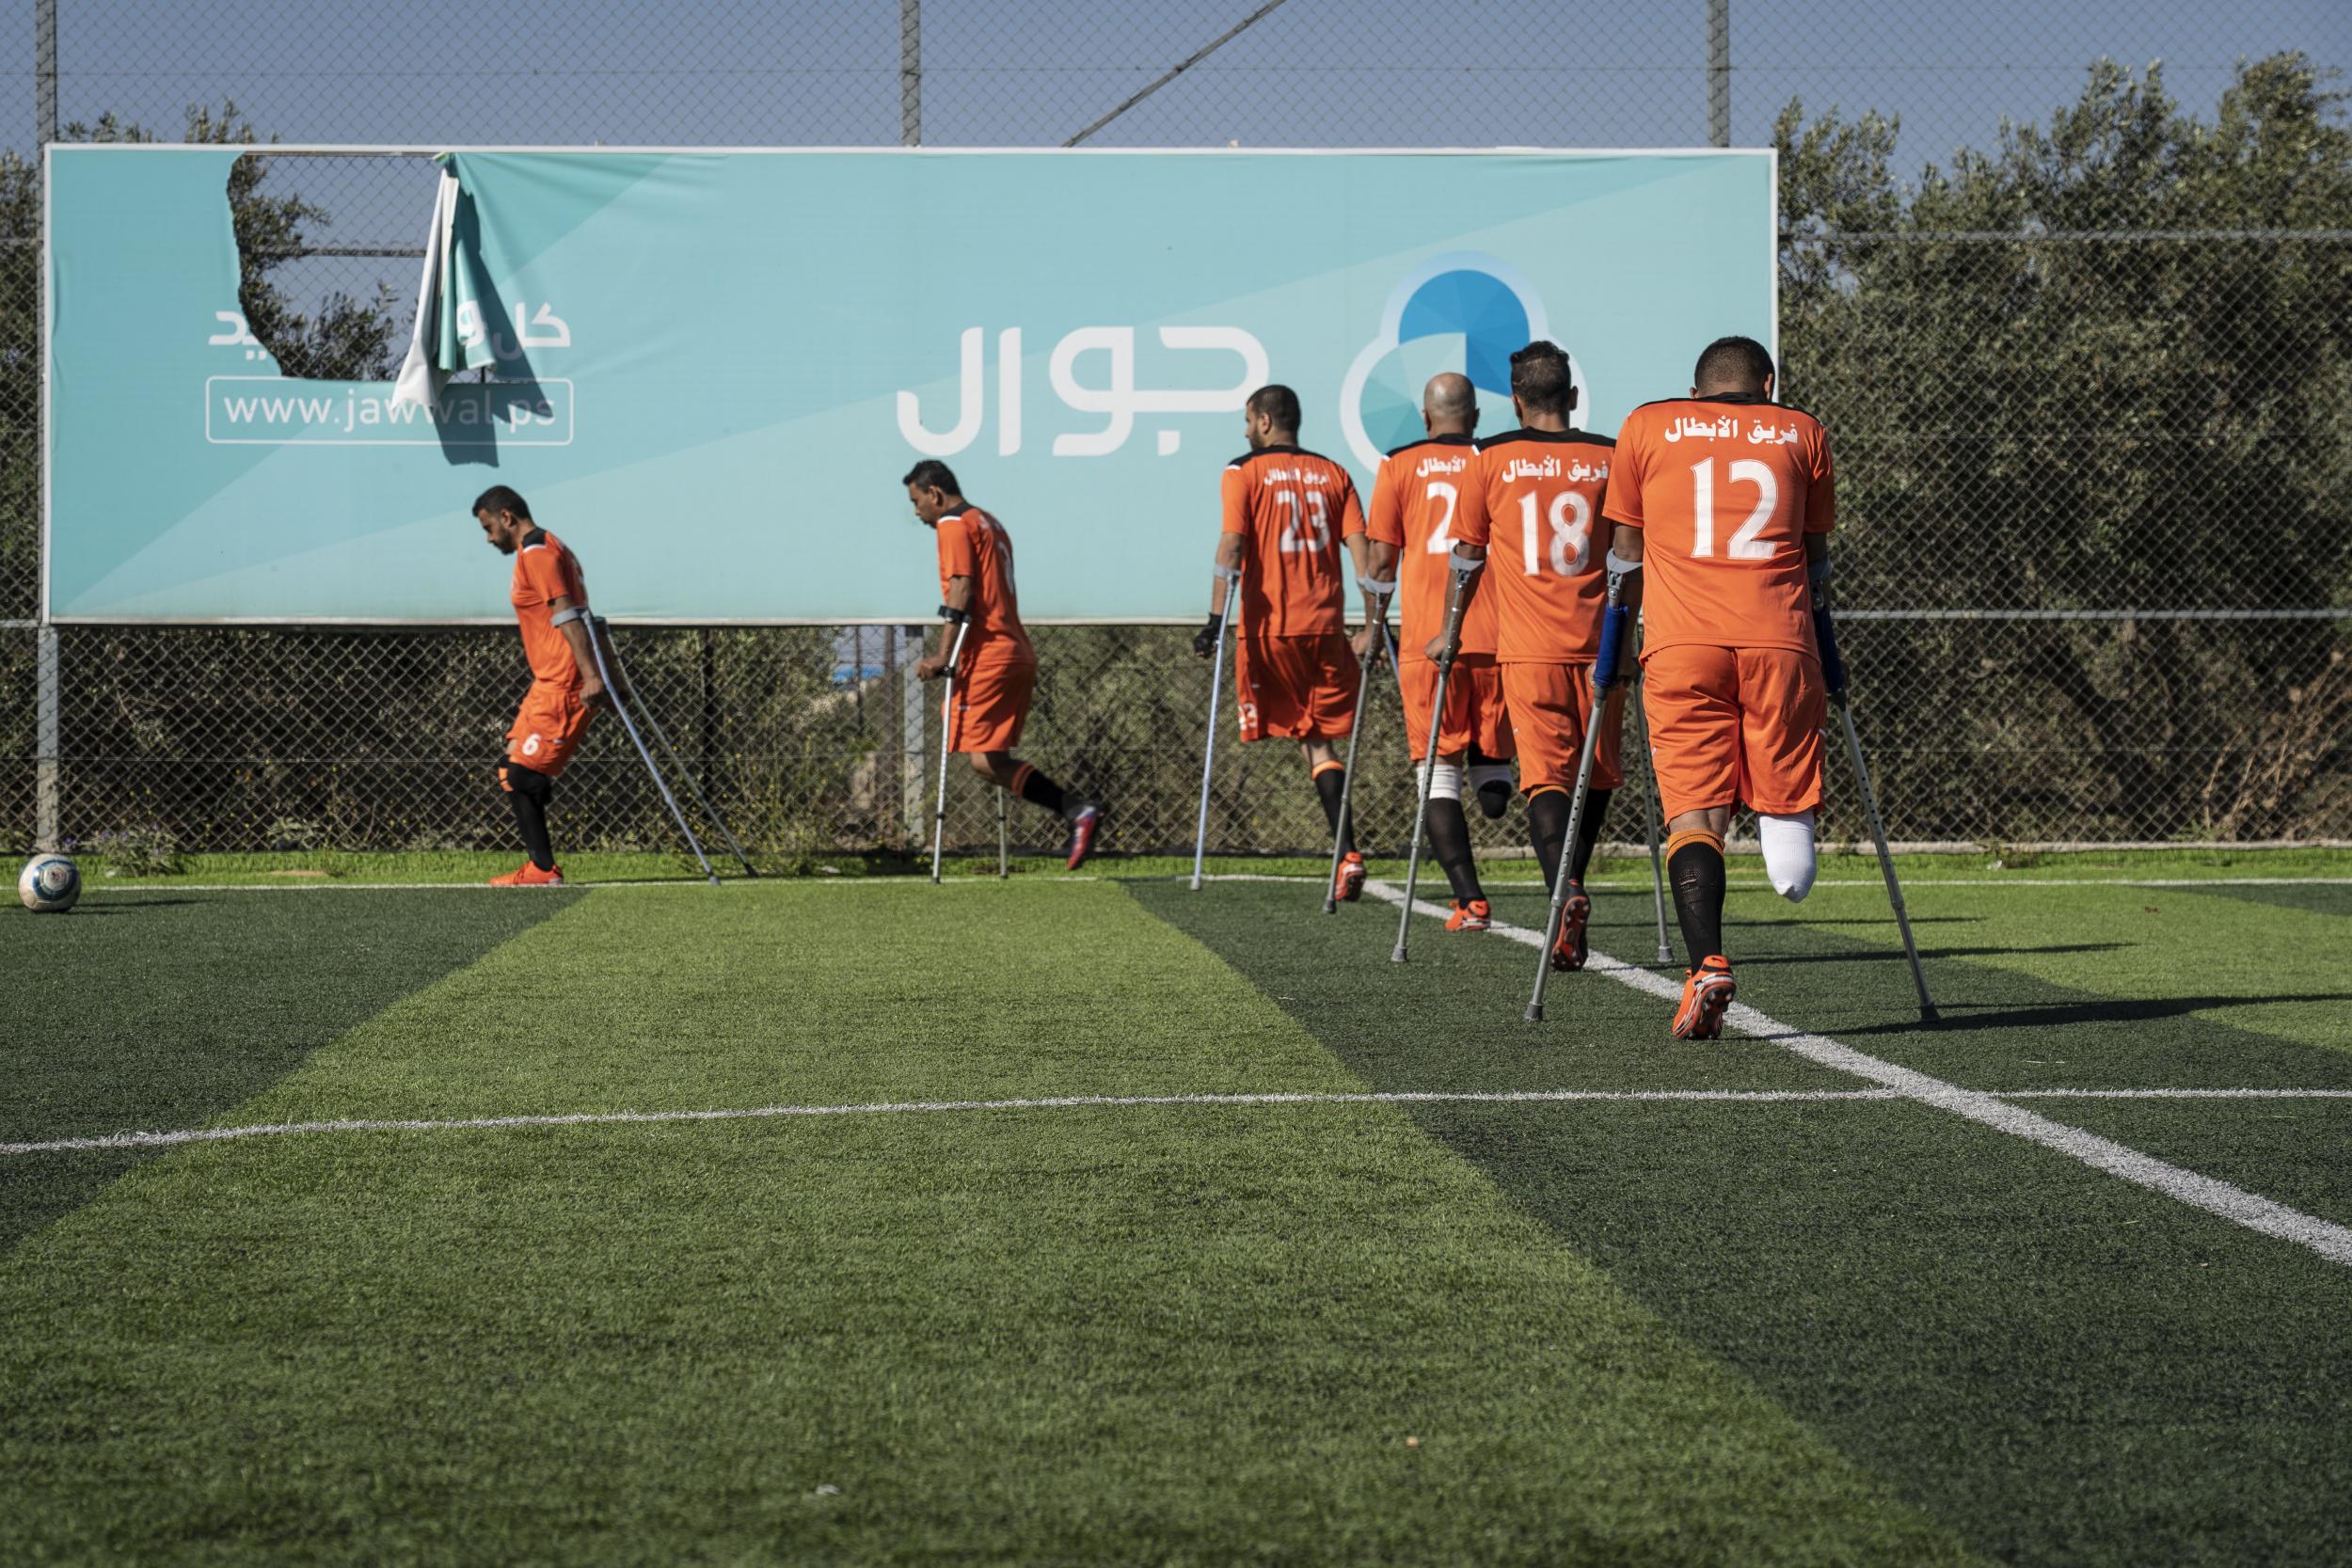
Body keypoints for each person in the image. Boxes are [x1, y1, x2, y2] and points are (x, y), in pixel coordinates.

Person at [1603, 335, 1836, 1038]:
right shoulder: (1802, 430)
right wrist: (1831, 651)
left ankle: (1707, 961)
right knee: (1786, 808)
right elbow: (1817, 560)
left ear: (1694, 389)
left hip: (1682, 646)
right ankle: (1788, 849)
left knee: (1692, 817)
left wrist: (1614, 644)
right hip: (1781, 643)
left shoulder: (1647, 424)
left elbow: (1624, 556)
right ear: (1769, 382)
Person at [1447, 342, 1623, 971]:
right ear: (1571, 396)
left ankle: (1564, 893)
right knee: (1595, 776)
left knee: (1545, 779)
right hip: (1602, 645)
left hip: (1528, 651)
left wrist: (1451, 628)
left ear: (1517, 400)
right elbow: (1634, 550)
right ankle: (1568, 886)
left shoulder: (1490, 457)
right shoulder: (1610, 453)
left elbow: (1466, 555)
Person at [1194, 384, 1375, 903]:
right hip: (1325, 627)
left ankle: (1347, 853)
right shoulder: (1335, 473)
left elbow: (1232, 544)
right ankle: (1348, 853)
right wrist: (1372, 624)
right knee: (1317, 739)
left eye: (1248, 420)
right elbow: (1362, 556)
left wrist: (1212, 620)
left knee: (1305, 736)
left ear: (1266, 421)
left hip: (1271, 628)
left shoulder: (1242, 471)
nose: (1244, 429)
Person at [1362, 372, 1516, 932]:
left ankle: (1470, 902)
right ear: (1475, 416)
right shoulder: (1500, 458)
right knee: (1492, 780)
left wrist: (1373, 626)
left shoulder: (1398, 463)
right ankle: (1493, 777)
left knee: (1435, 772)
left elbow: (1380, 563)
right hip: (1499, 638)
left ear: (1427, 418)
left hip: (1431, 642)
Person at [904, 461, 1102, 869]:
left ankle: (1075, 808)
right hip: (1015, 651)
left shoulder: (953, 523)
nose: (916, 512)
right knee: (988, 760)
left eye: (917, 501)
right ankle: (1075, 810)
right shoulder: (989, 521)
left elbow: (961, 589)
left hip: (988, 655)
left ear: (935, 494)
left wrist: (944, 656)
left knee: (984, 760)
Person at [474, 484, 605, 887]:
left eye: (488, 526)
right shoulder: (549, 545)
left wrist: (593, 675)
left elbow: (568, 613)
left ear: (507, 517)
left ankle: (543, 870)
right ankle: (541, 865)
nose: (488, 536)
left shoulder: (538, 553)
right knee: (514, 763)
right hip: (547, 679)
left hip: (562, 680)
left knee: (517, 776)